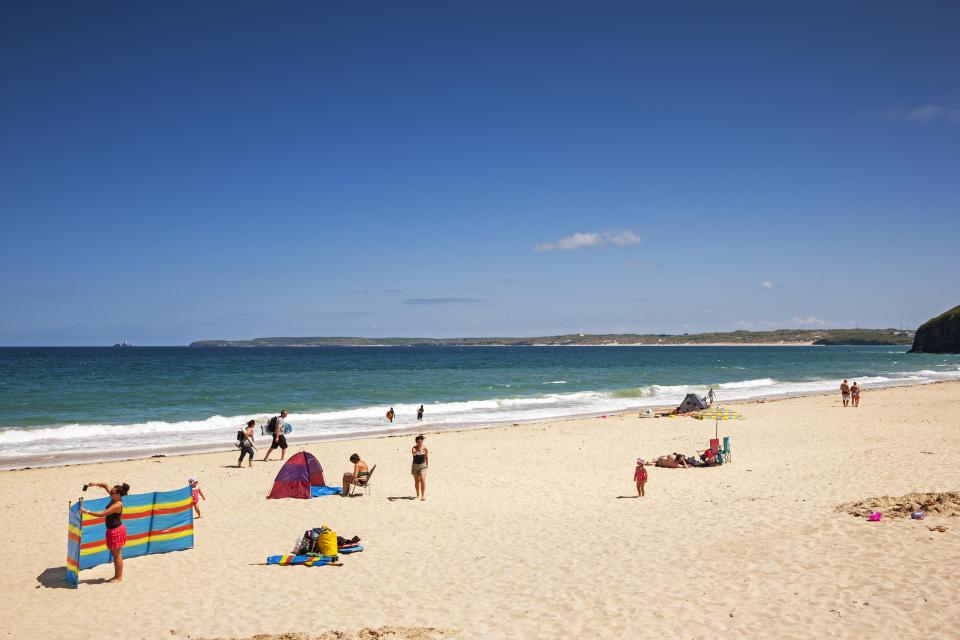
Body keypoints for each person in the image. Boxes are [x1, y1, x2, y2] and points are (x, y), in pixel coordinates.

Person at [79, 482, 130, 582]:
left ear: (118, 495)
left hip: (116, 531)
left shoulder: (117, 504)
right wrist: (94, 484)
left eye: (112, 492)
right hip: (112, 530)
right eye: (111, 491)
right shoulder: (114, 496)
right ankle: (117, 576)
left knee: (117, 556)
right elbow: (106, 485)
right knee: (115, 554)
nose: (110, 493)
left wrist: (86, 512)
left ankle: (118, 577)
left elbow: (102, 514)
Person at [411, 434, 429, 500]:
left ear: (422, 442)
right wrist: (418, 450)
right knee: (417, 481)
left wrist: (427, 464)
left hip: (422, 466)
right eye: (418, 442)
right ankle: (418, 494)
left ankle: (423, 496)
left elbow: (426, 457)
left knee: (423, 480)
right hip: (415, 466)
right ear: (416, 442)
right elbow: (413, 453)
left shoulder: (425, 448)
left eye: (420, 442)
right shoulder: (414, 448)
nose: (419, 443)